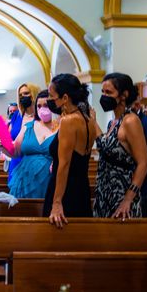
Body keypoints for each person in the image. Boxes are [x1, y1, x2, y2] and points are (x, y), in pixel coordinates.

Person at [92, 73, 147, 220]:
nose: (104, 96)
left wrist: (128, 199)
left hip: (122, 194)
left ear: (124, 95)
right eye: (103, 92)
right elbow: (104, 147)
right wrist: (93, 122)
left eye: (109, 92)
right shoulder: (113, 123)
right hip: (105, 192)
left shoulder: (130, 121)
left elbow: (143, 163)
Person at [44, 74, 96, 227]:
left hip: (65, 191)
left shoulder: (68, 121)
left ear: (65, 98)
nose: (50, 100)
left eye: (52, 96)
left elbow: (64, 164)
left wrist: (57, 202)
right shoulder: (88, 120)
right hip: (82, 188)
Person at [0, 90, 56, 198]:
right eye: (39, 106)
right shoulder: (28, 126)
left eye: (46, 105)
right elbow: (15, 151)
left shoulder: (62, 127)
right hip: (26, 179)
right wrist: (0, 145)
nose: (42, 109)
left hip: (51, 180)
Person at [8, 83, 40, 181]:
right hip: (16, 161)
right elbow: (10, 136)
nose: (23, 97)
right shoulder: (16, 115)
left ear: (34, 94)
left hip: (34, 162)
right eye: (20, 95)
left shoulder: (41, 116)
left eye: (26, 93)